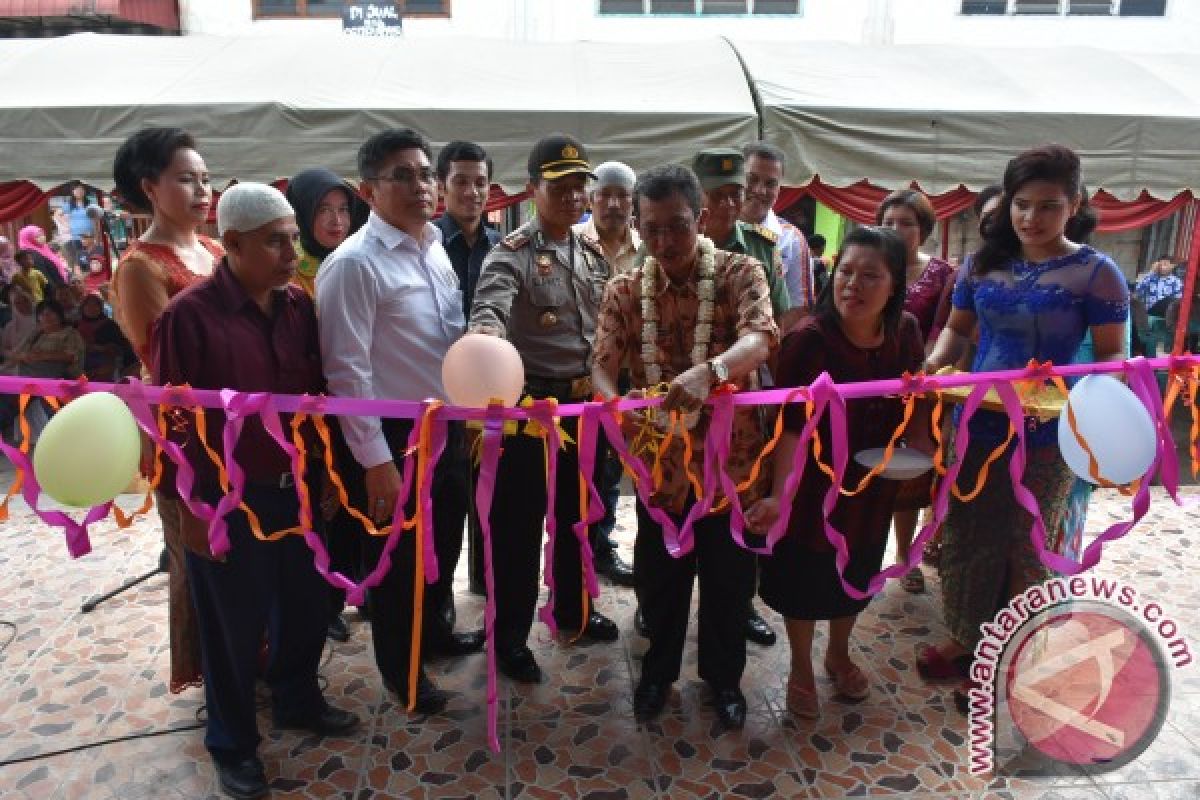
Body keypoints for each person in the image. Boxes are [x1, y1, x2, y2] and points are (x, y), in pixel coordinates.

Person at [154, 183, 358, 800]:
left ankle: (297, 698)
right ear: (234, 243)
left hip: (295, 490)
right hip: (225, 500)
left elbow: (317, 398)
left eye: (294, 238)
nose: (290, 252)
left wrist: (324, 480)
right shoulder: (187, 317)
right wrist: (193, 510)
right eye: (277, 240)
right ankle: (233, 744)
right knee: (232, 629)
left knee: (305, 608)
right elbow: (173, 423)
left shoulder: (298, 306)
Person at [918, 145, 1129, 709]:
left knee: (1026, 543)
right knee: (966, 535)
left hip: (1050, 433)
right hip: (977, 424)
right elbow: (958, 334)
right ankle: (965, 639)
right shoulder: (980, 264)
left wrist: (1064, 388)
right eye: (1021, 204)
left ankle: (1004, 659)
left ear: (1075, 205)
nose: (1031, 218)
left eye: (1048, 206)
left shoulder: (1097, 273)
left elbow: (1112, 362)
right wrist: (938, 363)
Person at [592, 163, 776, 730]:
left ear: (700, 219)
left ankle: (724, 681)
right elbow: (601, 367)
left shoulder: (739, 271)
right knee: (660, 584)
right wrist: (618, 418)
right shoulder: (624, 288)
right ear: (640, 228)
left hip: (731, 470)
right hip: (660, 472)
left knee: (727, 585)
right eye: (652, 229)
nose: (665, 241)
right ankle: (656, 677)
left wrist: (712, 371)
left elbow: (762, 337)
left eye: (676, 226)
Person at [317, 128, 484, 715]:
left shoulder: (433, 244)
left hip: (448, 426)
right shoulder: (354, 266)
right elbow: (347, 374)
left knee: (442, 546)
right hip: (392, 439)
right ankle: (404, 676)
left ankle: (434, 637)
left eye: (424, 173)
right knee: (397, 565)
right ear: (368, 190)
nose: (421, 185)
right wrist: (377, 463)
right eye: (402, 176)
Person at [745, 226, 928, 720]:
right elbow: (788, 429)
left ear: (894, 285)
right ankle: (802, 667)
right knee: (805, 577)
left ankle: (838, 652)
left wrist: (922, 446)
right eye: (846, 272)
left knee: (858, 568)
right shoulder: (809, 340)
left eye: (871, 275)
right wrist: (780, 497)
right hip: (810, 484)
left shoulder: (905, 332)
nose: (854, 285)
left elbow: (916, 399)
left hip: (871, 482)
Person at [469, 133, 619, 685]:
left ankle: (573, 609)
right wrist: (482, 343)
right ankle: (508, 637)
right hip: (531, 417)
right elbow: (489, 310)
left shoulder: (592, 250)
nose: (575, 195)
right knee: (518, 531)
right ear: (534, 189)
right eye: (561, 186)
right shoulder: (511, 253)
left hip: (587, 412)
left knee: (578, 519)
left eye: (582, 185)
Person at [112, 126, 222, 695]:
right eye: (186, 179)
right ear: (150, 187)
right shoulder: (139, 267)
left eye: (205, 178)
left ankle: (253, 654)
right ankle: (211, 672)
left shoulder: (213, 249)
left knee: (242, 545)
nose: (202, 191)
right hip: (186, 432)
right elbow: (162, 356)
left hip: (240, 423)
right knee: (197, 553)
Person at [693, 148, 797, 647]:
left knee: (740, 513)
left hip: (744, 412)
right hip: (683, 409)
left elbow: (774, 332)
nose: (737, 202)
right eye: (724, 193)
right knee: (674, 512)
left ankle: (739, 607)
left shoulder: (762, 249)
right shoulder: (668, 243)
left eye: (741, 191)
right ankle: (660, 605)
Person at [875, 189, 956, 594]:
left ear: (923, 230)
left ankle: (906, 558)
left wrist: (920, 375)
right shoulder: (867, 265)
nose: (895, 230)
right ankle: (862, 552)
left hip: (921, 389)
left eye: (905, 223)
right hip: (872, 387)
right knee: (870, 469)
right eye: (888, 222)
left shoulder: (942, 274)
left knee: (910, 476)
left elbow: (944, 329)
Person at [433, 140, 502, 597]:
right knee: (445, 505)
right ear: (442, 187)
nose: (472, 192)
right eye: (461, 181)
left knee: (494, 502)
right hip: (440, 393)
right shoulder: (429, 243)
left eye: (480, 182)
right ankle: (439, 607)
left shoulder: (504, 246)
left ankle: (486, 588)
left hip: (497, 391)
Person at [573, 160, 640, 588]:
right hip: (579, 379)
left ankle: (601, 546)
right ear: (591, 199)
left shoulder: (647, 245)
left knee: (613, 468)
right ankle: (574, 552)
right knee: (579, 471)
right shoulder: (572, 242)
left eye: (622, 196)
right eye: (605, 195)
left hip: (630, 378)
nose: (613, 204)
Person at [741, 142, 815, 311]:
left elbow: (799, 309)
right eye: (751, 179)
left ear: (779, 188)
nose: (760, 190)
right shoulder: (712, 227)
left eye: (770, 184)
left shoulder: (792, 240)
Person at [284, 168, 368, 299]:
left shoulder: (365, 260)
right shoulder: (286, 271)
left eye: (343, 209)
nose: (337, 221)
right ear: (301, 213)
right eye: (323, 210)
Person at [76, 291, 129, 381]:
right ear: (82, 308)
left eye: (95, 305)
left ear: (101, 308)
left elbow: (119, 347)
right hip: (80, 362)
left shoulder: (110, 325)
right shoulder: (76, 325)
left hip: (106, 364)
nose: (91, 308)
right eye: (88, 305)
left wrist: (100, 348)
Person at [64, 181, 96, 271]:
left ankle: (92, 272)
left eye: (81, 189)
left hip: (89, 234)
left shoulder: (90, 203)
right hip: (76, 235)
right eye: (76, 190)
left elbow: (96, 217)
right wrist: (66, 226)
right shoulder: (69, 205)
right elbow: (57, 215)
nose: (79, 191)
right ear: (73, 192)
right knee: (80, 255)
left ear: (84, 191)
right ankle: (83, 272)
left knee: (91, 254)